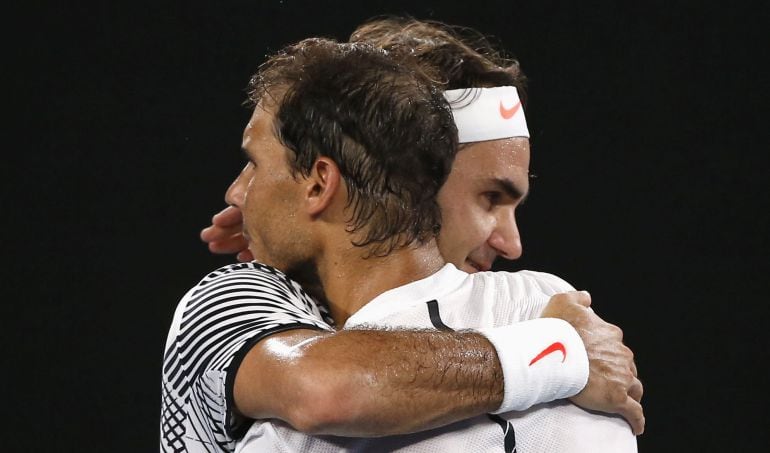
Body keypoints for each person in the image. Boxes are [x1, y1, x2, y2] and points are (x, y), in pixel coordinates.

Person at [162, 21, 641, 453]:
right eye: (489, 197)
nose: (512, 244)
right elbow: (328, 389)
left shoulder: (544, 306)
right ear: (419, 179)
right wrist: (558, 353)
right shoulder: (553, 325)